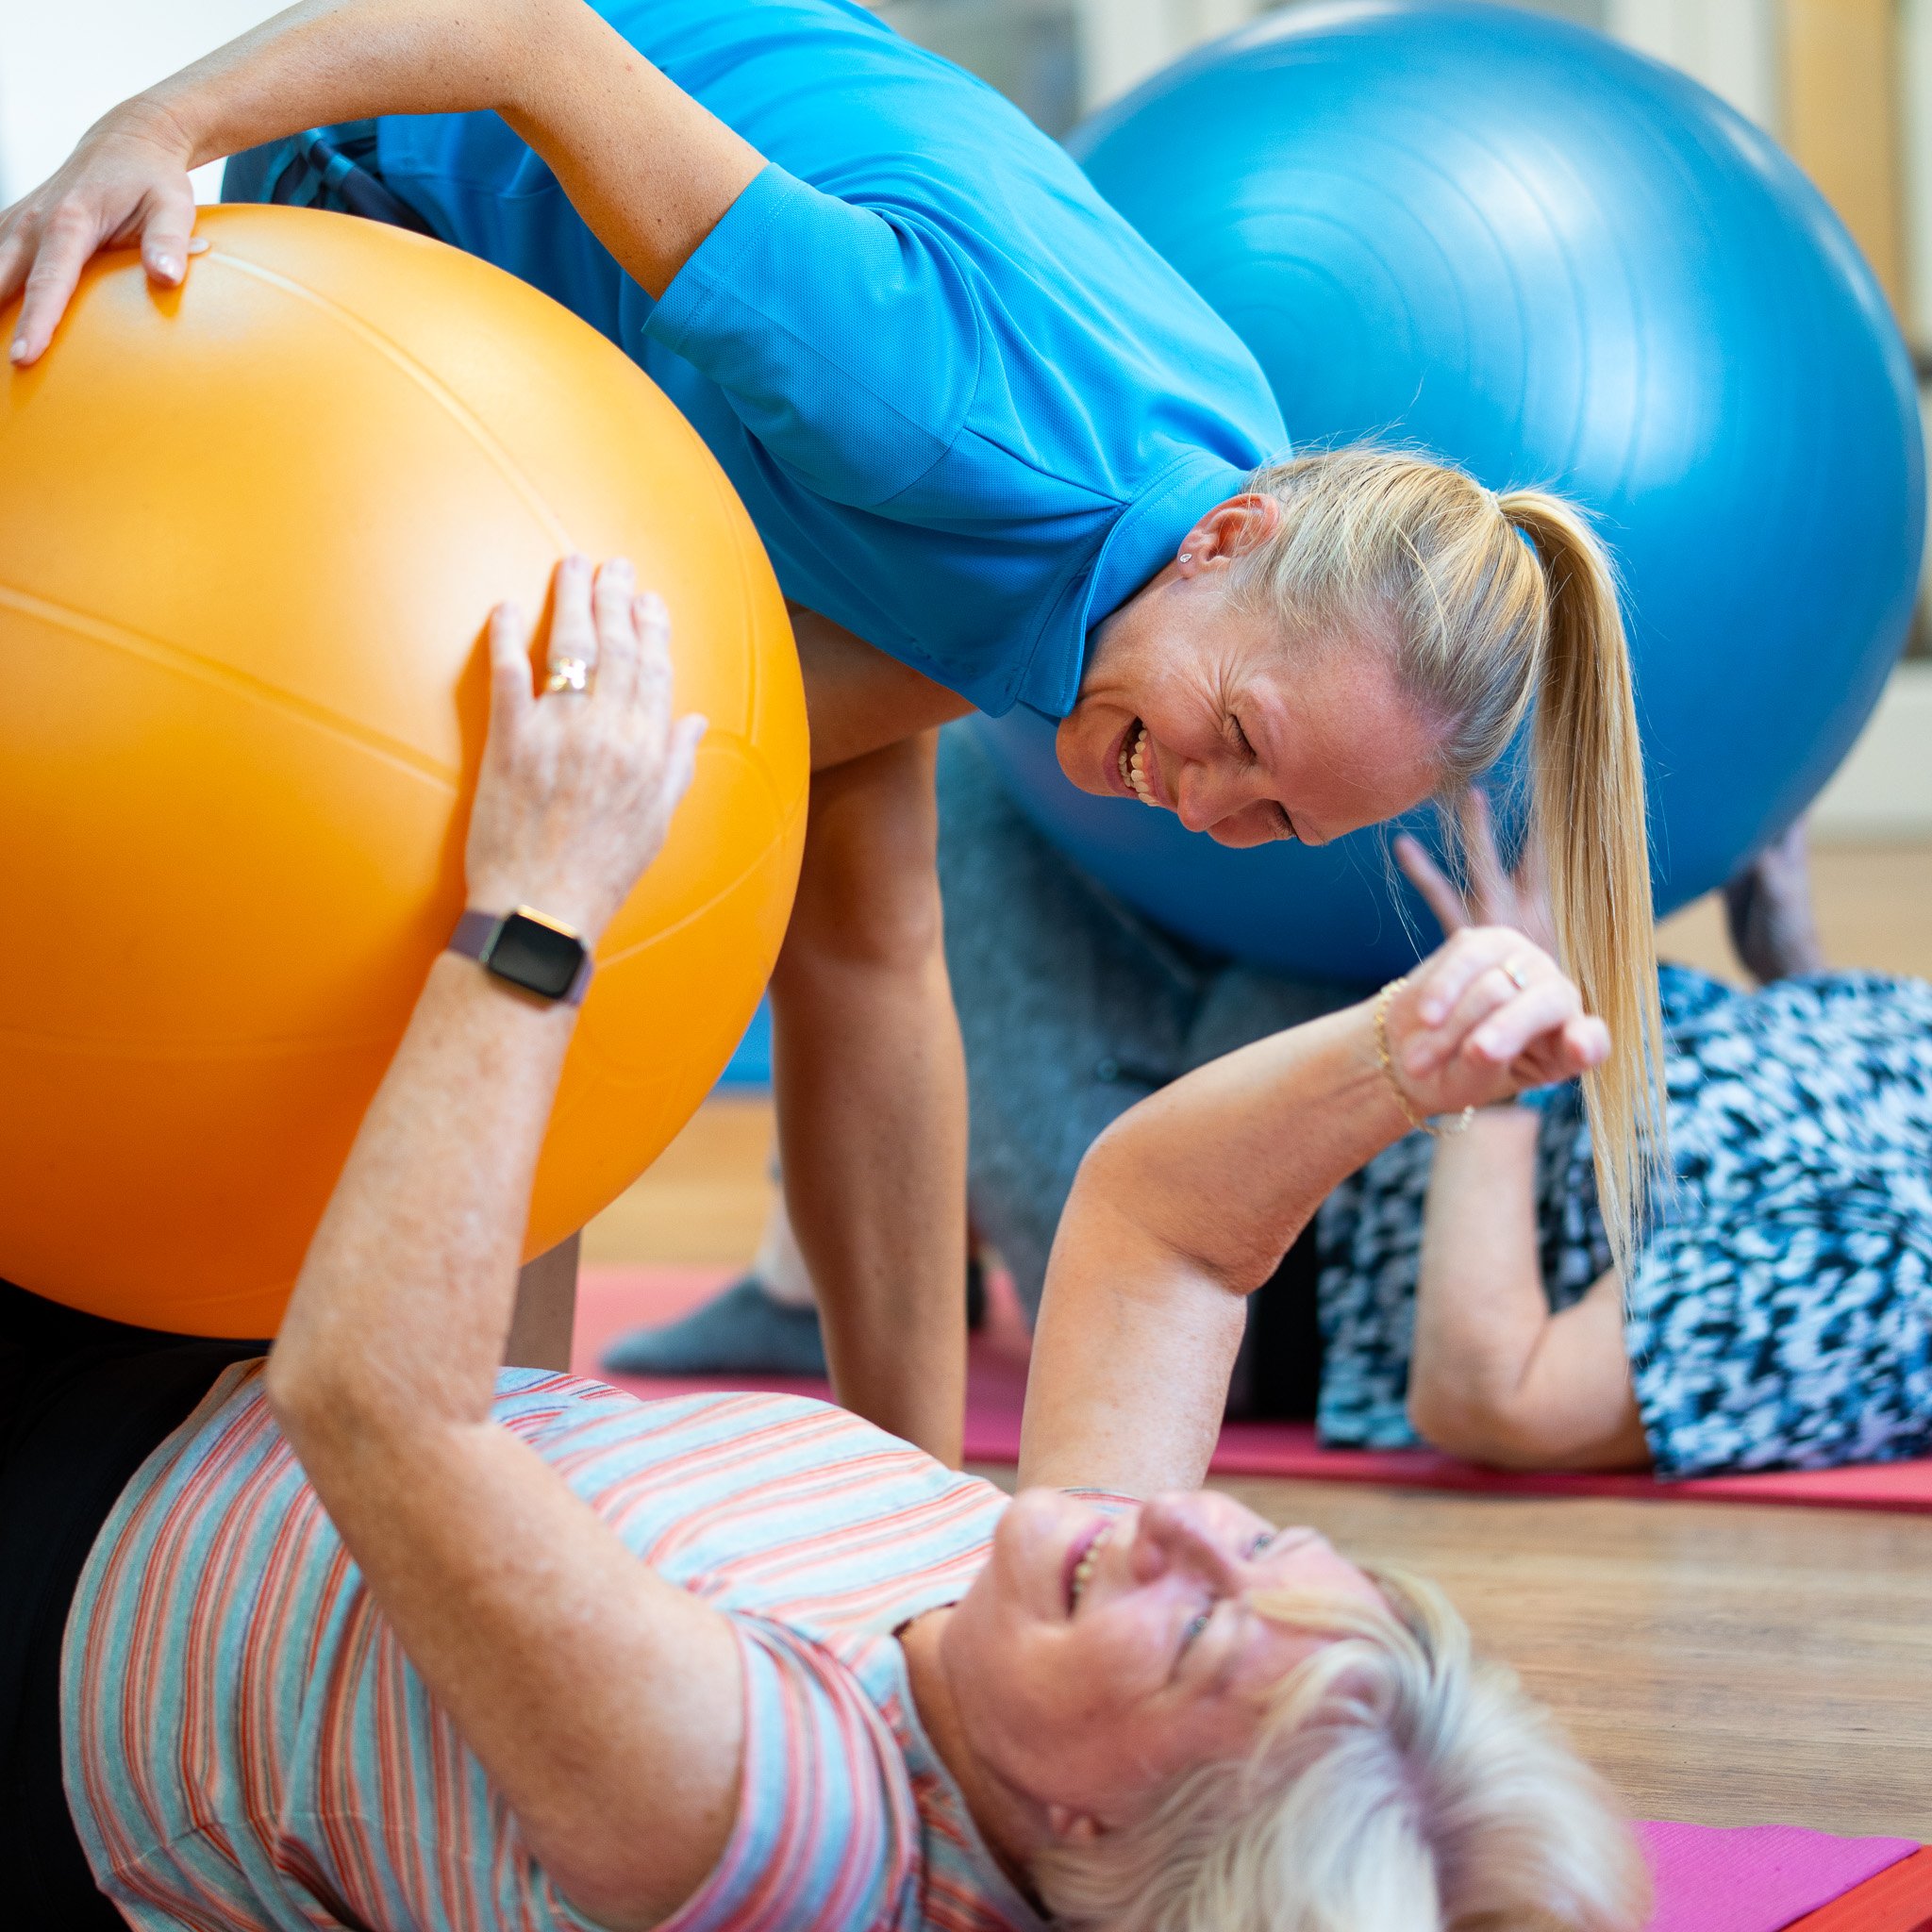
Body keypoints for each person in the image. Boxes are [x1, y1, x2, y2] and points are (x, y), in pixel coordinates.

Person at [0, 0, 1662, 1464]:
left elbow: (873, 963)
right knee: (573, 830)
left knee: (864, 906)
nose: (1203, 807)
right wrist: (156, 126)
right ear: (1231, 537)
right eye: (1235, 737)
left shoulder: (1184, 537)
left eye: (1273, 818)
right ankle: (496, 1453)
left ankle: (912, 1493)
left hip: (702, 395)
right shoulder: (935, 402)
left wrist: (933, 1530)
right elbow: (524, 35)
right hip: (429, 199)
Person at [0, 557, 1647, 1932]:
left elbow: (370, 1400)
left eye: (1208, 1625)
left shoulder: (784, 1832)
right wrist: (1404, 1057)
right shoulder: (1061, 1627)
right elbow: (1166, 1233)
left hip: (60, 1566)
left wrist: (540, 896)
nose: (1197, 1536)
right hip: (200, 1378)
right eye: (1283, 1551)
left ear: (1089, 1841)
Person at [900, 730, 1932, 1477]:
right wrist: (1796, 969)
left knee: (951, 787)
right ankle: (820, 1259)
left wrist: (1499, 1060)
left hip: (1247, 1236)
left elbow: (1497, 1395)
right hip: (1341, 991)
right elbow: (1816, 1145)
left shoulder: (1893, 1290)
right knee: (1067, 750)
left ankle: (821, 1274)